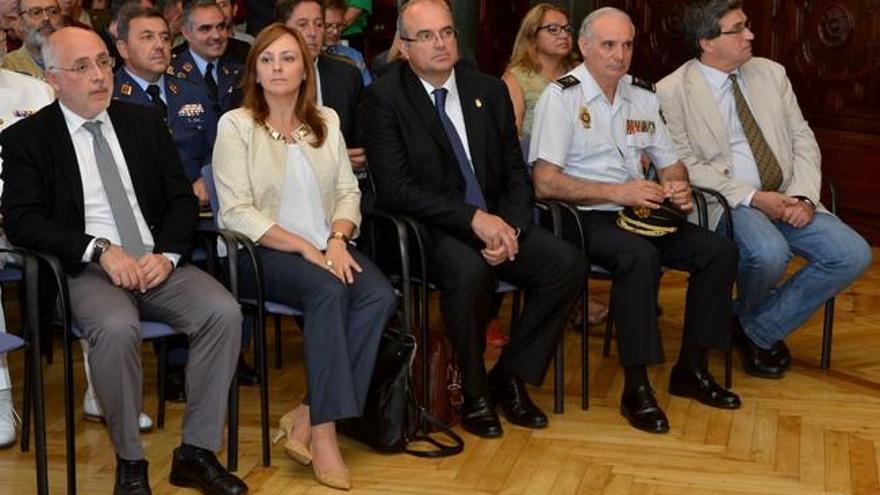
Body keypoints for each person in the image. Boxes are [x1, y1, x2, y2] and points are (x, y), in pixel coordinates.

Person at [0, 27, 246, 494]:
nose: (98, 76)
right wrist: (97, 248)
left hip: (154, 260)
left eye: (103, 62)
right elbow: (23, 221)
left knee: (223, 312)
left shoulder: (142, 121)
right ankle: (130, 462)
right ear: (53, 79)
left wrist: (169, 255)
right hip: (86, 268)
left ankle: (195, 451)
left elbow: (179, 199)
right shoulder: (28, 138)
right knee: (115, 328)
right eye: (82, 67)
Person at [361, 0, 585, 439]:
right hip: (427, 227)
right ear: (403, 48)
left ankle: (511, 375)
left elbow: (515, 173)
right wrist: (475, 220)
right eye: (425, 36)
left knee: (567, 263)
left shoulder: (487, 88)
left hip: (498, 224)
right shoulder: (383, 99)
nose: (440, 43)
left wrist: (513, 227)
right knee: (469, 271)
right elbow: (396, 189)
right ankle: (475, 390)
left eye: (446, 32)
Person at [529, 7, 741, 434]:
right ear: (585, 47)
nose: (619, 55)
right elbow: (545, 183)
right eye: (609, 45)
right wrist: (616, 192)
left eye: (627, 45)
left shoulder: (642, 95)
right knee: (640, 257)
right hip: (582, 216)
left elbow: (671, 163)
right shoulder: (562, 97)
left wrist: (677, 185)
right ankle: (637, 386)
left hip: (638, 212)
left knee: (718, 250)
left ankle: (692, 368)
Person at [212, 23, 396, 490]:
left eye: (288, 58)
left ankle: (311, 411)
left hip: (326, 244)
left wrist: (336, 239)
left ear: (305, 68)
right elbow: (235, 213)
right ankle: (326, 436)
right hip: (262, 252)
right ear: (254, 69)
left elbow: (346, 191)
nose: (277, 68)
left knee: (377, 295)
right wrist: (304, 247)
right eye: (267, 59)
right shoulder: (236, 126)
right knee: (328, 290)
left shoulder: (326, 121)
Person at [656, 0, 872, 378]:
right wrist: (755, 198)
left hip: (788, 193)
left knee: (852, 253)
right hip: (730, 201)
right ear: (707, 41)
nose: (750, 35)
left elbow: (801, 137)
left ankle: (751, 327)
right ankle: (756, 330)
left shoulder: (771, 73)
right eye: (737, 29)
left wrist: (803, 195)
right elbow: (684, 164)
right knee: (769, 253)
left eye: (748, 25)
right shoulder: (673, 90)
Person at [503, 2, 608, 328]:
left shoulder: (583, 75)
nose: (564, 35)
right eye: (553, 29)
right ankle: (572, 296)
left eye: (567, 29)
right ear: (532, 36)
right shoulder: (516, 78)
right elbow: (511, 135)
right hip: (540, 171)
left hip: (585, 164)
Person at [0, 38, 54, 448]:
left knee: (88, 241)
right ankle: (1, 398)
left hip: (30, 214)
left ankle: (101, 390)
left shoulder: (34, 90)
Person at [114, 6, 216, 207]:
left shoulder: (193, 92)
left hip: (199, 209)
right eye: (147, 37)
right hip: (142, 211)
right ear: (123, 48)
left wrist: (207, 177)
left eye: (165, 38)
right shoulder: (110, 99)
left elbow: (217, 148)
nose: (160, 45)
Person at [277, 0, 364, 174]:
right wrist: (331, 160)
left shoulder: (347, 75)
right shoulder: (265, 78)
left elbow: (359, 148)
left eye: (319, 24)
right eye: (303, 25)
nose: (312, 33)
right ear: (281, 30)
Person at [171, 0, 243, 114]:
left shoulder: (239, 71)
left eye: (221, 27)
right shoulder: (170, 74)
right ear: (186, 33)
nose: (216, 36)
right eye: (205, 29)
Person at [2, 0, 63, 78]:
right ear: (21, 21)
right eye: (36, 12)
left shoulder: (79, 55)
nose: (46, 18)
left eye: (53, 12)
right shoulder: (7, 67)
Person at [323, 0, 370, 85]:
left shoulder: (353, 56)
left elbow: (368, 91)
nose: (335, 32)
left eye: (339, 25)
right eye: (327, 26)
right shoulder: (303, 56)